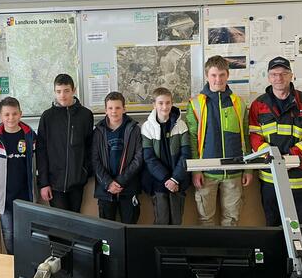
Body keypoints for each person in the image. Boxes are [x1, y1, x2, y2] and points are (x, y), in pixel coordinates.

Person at [249, 56, 302, 226]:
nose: (279, 78)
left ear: (291, 75)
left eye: (284, 73)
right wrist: (270, 153)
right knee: (274, 229)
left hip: (301, 179)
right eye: (274, 74)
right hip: (272, 179)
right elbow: (254, 136)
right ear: (269, 77)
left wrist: (293, 156)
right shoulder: (258, 105)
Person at [186, 55, 252, 226]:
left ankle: (228, 253)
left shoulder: (239, 102)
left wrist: (249, 169)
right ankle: (209, 254)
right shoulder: (195, 104)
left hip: (234, 172)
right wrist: (195, 170)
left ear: (228, 75)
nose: (218, 79)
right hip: (206, 173)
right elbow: (192, 139)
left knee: (231, 220)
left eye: (222, 75)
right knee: (206, 220)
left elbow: (245, 135)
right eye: (214, 75)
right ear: (207, 76)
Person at [0, 97, 35, 255]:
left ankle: (25, 266)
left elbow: (36, 161)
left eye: (14, 114)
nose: (10, 118)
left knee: (26, 234)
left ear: (20, 114)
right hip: (5, 198)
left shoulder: (30, 136)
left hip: (25, 195)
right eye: (7, 115)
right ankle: (12, 264)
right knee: (9, 234)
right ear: (0, 116)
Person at [36, 73, 94, 212]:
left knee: (75, 223)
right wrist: (44, 183)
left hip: (77, 181)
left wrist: (85, 171)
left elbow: (90, 146)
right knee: (59, 226)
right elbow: (41, 150)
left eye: (66, 91)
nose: (62, 95)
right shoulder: (47, 116)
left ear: (73, 90)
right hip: (54, 183)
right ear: (54, 92)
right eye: (58, 91)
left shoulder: (85, 115)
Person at [141, 87, 190, 225]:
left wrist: (175, 179)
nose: (165, 106)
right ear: (154, 105)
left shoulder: (181, 125)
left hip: (178, 180)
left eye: (168, 103)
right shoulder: (147, 127)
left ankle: (176, 248)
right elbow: (149, 158)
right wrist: (165, 179)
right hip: (158, 181)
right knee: (161, 220)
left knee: (176, 221)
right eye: (161, 103)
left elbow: (185, 155)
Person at [91, 91, 143, 223]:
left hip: (128, 187)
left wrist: (121, 181)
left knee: (130, 230)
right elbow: (94, 160)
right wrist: (108, 183)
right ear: (105, 110)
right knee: (107, 233)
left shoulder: (134, 129)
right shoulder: (98, 131)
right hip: (105, 189)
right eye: (110, 108)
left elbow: (138, 158)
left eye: (118, 107)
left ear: (124, 109)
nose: (114, 111)